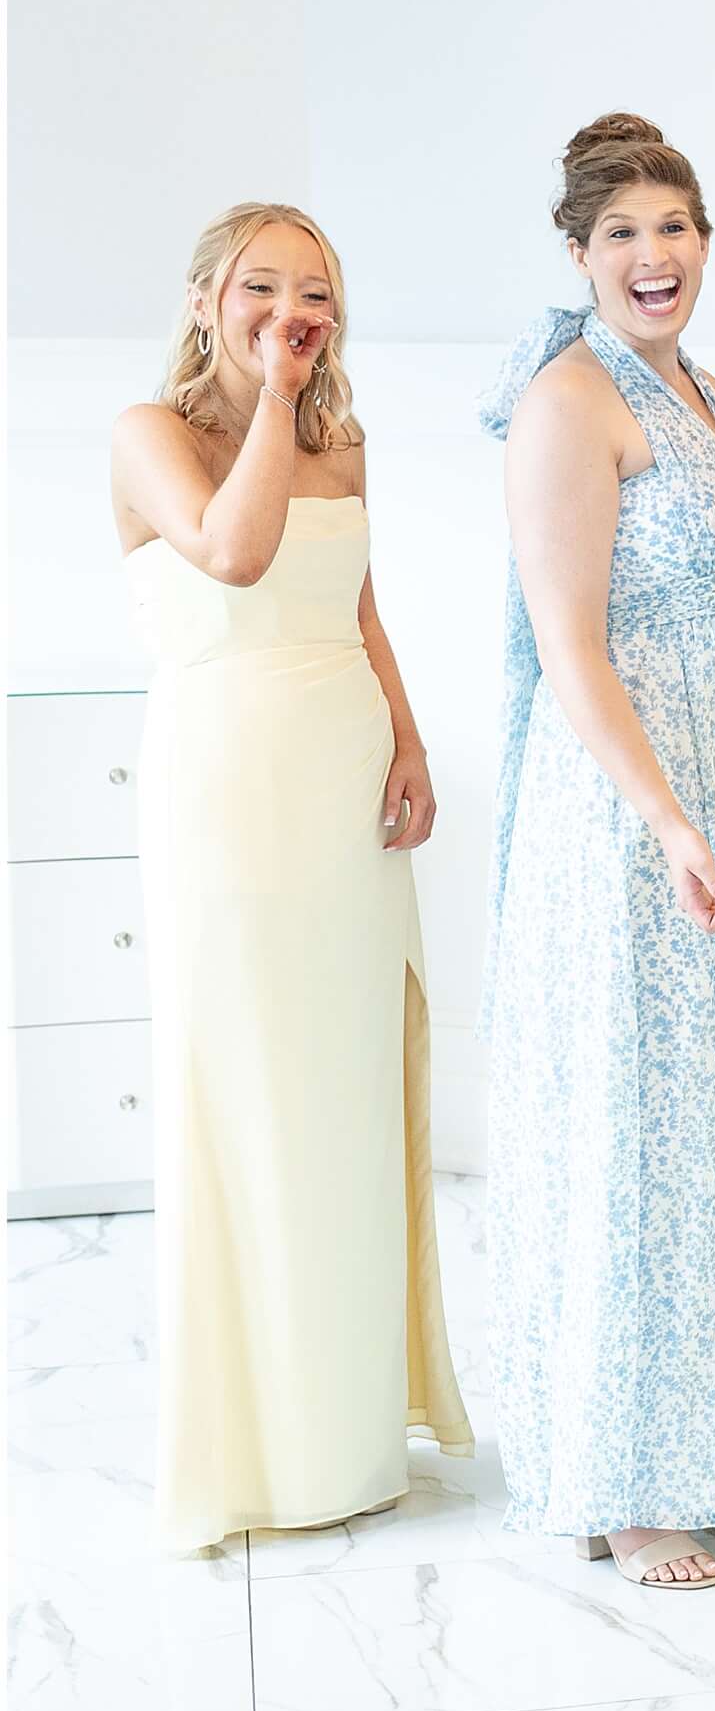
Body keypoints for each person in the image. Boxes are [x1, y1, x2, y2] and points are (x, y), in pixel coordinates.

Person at [478, 110, 715, 1588]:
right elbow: (573, 647)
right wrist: (671, 819)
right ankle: (626, 1477)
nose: (653, 255)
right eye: (621, 234)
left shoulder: (707, 387)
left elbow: (711, 586)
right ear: (579, 255)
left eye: (674, 227)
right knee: (644, 1121)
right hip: (637, 814)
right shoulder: (574, 398)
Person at [108, 204, 463, 1558]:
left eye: (313, 291)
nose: (289, 309)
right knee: (244, 1090)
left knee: (346, 1090)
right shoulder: (153, 434)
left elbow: (357, 604)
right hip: (227, 790)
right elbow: (236, 554)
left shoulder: (342, 443)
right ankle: (251, 1451)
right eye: (261, 287)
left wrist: (414, 740)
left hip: (344, 787)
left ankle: (352, 1435)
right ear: (206, 298)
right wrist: (275, 392)